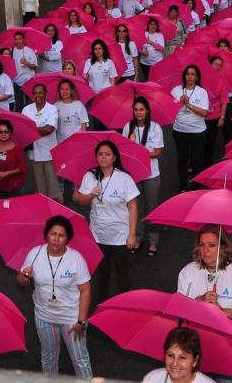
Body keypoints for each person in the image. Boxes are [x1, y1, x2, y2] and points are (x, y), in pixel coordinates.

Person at [16, 215, 92, 378]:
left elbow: (86, 291)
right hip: (44, 317)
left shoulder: (76, 259)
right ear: (46, 235)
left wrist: (81, 321)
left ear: (67, 239)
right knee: (48, 358)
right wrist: (23, 277)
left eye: (61, 235)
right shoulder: (34, 254)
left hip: (71, 319)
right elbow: (21, 281)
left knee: (80, 360)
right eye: (53, 234)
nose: (56, 239)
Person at [75, 140, 139, 301]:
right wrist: (91, 195)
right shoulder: (90, 176)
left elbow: (133, 207)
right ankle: (103, 303)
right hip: (98, 235)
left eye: (107, 154)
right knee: (102, 272)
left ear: (114, 157)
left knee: (122, 273)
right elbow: (81, 201)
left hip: (120, 235)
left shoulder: (124, 178)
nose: (103, 157)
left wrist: (132, 234)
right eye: (100, 154)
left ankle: (126, 302)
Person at [177, 225, 232, 330]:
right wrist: (199, 301)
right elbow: (178, 308)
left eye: (211, 245)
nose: (205, 250)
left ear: (223, 248)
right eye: (202, 245)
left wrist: (221, 311)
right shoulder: (188, 272)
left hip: (227, 337)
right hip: (194, 338)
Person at [122, 97, 163, 256]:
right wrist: (130, 144)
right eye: (136, 110)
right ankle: (137, 237)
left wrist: (140, 152)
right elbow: (123, 152)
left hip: (152, 173)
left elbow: (158, 152)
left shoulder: (155, 127)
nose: (139, 113)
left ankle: (153, 240)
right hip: (134, 174)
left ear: (147, 111)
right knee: (136, 209)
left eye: (142, 109)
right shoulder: (128, 127)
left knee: (152, 208)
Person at [171, 65, 209, 192]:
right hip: (180, 130)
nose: (190, 77)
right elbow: (169, 111)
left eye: (193, 74)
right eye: (188, 74)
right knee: (182, 159)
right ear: (184, 76)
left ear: (197, 77)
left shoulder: (202, 92)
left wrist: (189, 105)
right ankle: (183, 186)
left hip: (197, 131)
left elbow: (204, 112)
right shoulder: (176, 90)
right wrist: (178, 103)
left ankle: (196, 187)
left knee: (197, 160)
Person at [22, 83, 61, 202]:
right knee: (39, 182)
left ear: (45, 94)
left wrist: (32, 130)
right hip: (34, 151)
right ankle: (42, 203)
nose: (37, 95)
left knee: (52, 181)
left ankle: (56, 203)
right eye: (35, 93)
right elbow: (24, 130)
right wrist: (40, 129)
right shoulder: (26, 109)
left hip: (49, 150)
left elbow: (49, 129)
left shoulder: (52, 108)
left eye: (40, 92)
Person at [141, 327, 216, 383]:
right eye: (170, 355)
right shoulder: (152, 378)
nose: (174, 363)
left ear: (195, 360)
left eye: (182, 357)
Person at [55, 79, 89, 199]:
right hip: (60, 142)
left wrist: (81, 140)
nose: (65, 91)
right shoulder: (56, 106)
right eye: (62, 89)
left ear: (72, 90)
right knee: (61, 167)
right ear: (59, 91)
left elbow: (84, 123)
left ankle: (76, 189)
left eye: (67, 89)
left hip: (75, 142)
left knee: (76, 166)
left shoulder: (79, 105)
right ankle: (60, 191)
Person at [0, 119, 27, 199]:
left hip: (14, 187)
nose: (3, 134)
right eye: (0, 132)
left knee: (15, 210)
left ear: (10, 133)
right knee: (2, 209)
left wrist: (7, 173)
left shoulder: (17, 149)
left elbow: (22, 168)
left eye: (6, 132)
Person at [12, 31, 38, 111]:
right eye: (16, 39)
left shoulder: (30, 51)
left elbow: (35, 67)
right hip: (17, 81)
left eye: (20, 39)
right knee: (19, 104)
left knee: (29, 104)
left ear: (24, 40)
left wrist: (26, 63)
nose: (18, 41)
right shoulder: (12, 50)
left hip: (28, 80)